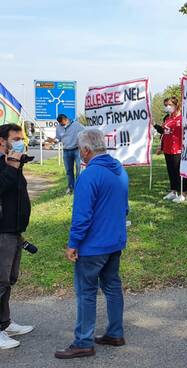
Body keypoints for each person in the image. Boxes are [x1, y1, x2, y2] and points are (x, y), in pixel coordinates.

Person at [55, 129, 129, 359]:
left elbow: (82, 216)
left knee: (86, 292)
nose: (80, 153)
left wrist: (73, 243)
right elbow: (124, 208)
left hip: (93, 246)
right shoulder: (119, 170)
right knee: (112, 287)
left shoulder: (89, 175)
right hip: (114, 242)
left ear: (86, 150)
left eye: (80, 149)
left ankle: (83, 341)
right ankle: (115, 333)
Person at [0, 124, 34, 350]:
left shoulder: (13, 162)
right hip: (1, 230)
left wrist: (15, 163)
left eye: (22, 138)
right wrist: (12, 165)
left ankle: (5, 323)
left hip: (13, 229)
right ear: (2, 141)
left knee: (8, 280)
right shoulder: (7, 164)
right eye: (16, 138)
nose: (20, 142)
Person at [160, 97, 187, 203]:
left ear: (176, 105)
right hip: (168, 149)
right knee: (171, 171)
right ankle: (173, 191)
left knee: (179, 172)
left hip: (179, 149)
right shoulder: (167, 118)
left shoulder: (183, 118)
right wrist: (154, 124)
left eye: (169, 104)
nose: (167, 106)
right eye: (165, 104)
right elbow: (163, 132)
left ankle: (183, 193)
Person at [55, 114, 86, 194]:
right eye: (60, 124)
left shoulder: (76, 125)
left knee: (79, 169)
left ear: (66, 119)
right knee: (69, 171)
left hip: (77, 150)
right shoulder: (58, 127)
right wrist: (52, 141)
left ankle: (79, 188)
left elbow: (85, 132)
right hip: (66, 150)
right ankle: (70, 187)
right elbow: (58, 138)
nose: (62, 125)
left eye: (63, 123)